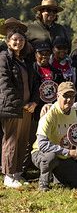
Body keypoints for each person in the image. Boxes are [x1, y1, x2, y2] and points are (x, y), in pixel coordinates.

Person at [31, 82, 77, 191]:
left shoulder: (73, 111)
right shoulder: (49, 114)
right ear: (57, 96)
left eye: (72, 97)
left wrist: (75, 150)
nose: (69, 100)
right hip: (40, 153)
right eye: (65, 96)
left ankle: (57, 178)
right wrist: (67, 152)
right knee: (50, 158)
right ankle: (43, 184)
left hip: (62, 155)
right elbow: (42, 145)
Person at [0, 21, 37, 188]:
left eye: (21, 40)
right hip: (12, 108)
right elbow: (4, 84)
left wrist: (33, 102)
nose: (17, 42)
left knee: (23, 140)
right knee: (11, 141)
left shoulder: (24, 60)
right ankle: (8, 175)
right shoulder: (3, 58)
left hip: (28, 108)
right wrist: (20, 104)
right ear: (8, 42)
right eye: (14, 40)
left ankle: (17, 173)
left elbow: (33, 83)